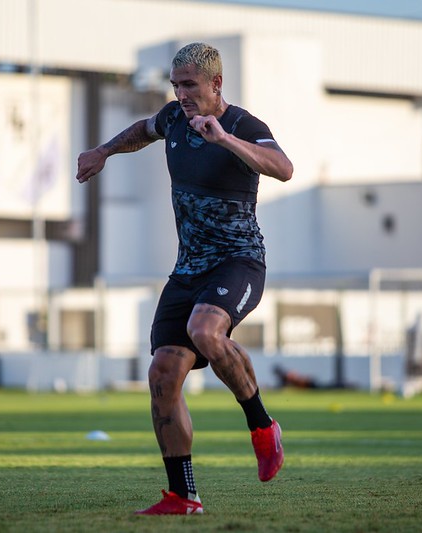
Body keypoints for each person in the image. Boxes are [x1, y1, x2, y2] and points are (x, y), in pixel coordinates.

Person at [76, 42, 293, 515]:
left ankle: (261, 426)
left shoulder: (243, 126)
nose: (181, 94)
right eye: (175, 85)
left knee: (204, 330)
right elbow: (143, 130)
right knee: (163, 372)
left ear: (216, 84)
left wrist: (224, 141)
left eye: (189, 85)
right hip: (188, 269)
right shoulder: (174, 117)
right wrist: (105, 151)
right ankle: (183, 494)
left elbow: (283, 168)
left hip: (239, 262)